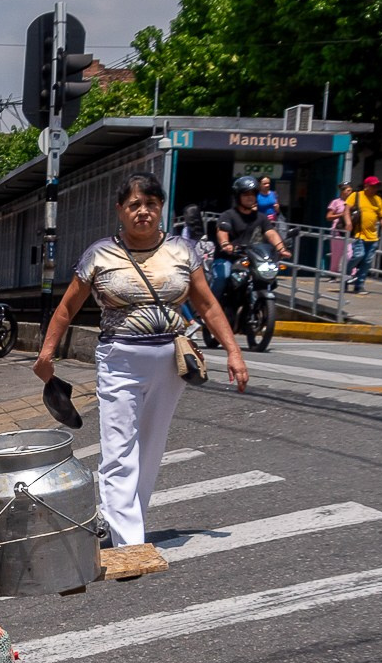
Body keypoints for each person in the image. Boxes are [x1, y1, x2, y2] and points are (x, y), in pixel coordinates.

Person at [32, 173, 248, 549]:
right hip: (119, 360)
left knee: (150, 449)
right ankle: (129, 542)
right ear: (120, 210)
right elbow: (66, 308)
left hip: (171, 364)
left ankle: (129, 523)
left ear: (161, 207)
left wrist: (233, 351)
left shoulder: (183, 251)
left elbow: (208, 305)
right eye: (134, 205)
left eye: (151, 204)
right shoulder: (100, 254)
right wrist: (47, 353)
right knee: (119, 448)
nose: (143, 211)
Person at [213, 176, 286, 291]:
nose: (250, 197)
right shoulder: (228, 215)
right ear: (238, 196)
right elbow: (222, 231)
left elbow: (271, 233)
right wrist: (226, 244)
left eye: (253, 194)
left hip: (253, 260)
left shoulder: (261, 217)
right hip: (229, 258)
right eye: (246, 194)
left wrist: (281, 248)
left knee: (268, 279)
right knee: (222, 277)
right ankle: (211, 303)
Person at [344, 176, 382, 292]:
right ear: (366, 186)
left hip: (373, 237)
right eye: (373, 186)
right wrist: (348, 222)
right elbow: (346, 209)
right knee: (358, 255)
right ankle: (346, 275)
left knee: (367, 262)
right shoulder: (356, 195)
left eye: (377, 186)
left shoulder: (378, 200)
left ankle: (359, 285)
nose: (375, 188)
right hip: (359, 234)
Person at [326, 181, 354, 280]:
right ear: (342, 191)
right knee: (336, 255)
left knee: (350, 254)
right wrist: (341, 215)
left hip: (349, 231)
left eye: (351, 190)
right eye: (348, 190)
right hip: (337, 231)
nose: (350, 192)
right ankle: (333, 274)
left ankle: (351, 274)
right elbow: (328, 217)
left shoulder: (353, 202)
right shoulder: (336, 202)